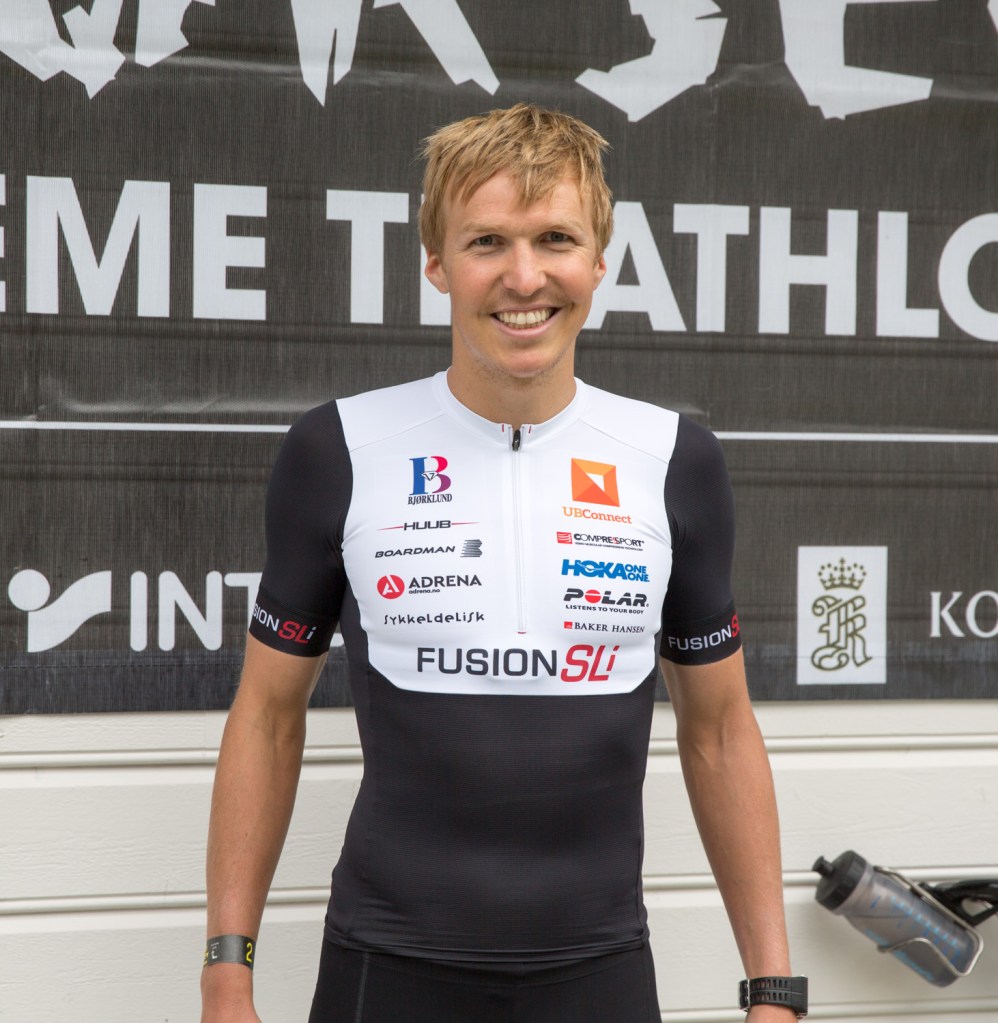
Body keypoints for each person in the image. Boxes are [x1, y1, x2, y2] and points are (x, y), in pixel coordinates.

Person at [201, 104, 804, 1023]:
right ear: (437, 263)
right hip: (387, 970)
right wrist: (226, 975)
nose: (524, 277)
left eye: (555, 238)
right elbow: (267, 718)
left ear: (599, 261)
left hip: (599, 974)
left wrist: (774, 992)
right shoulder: (340, 447)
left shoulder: (673, 458)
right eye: (487, 241)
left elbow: (720, 731)